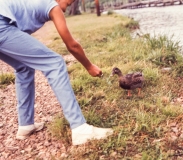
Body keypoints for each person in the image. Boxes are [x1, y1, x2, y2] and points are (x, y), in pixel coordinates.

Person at [0, 0, 113, 145]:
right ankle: (80, 128)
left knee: (24, 67)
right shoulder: (52, 5)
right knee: (55, 63)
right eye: (69, 2)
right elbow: (72, 45)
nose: (68, 7)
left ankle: (26, 124)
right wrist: (89, 66)